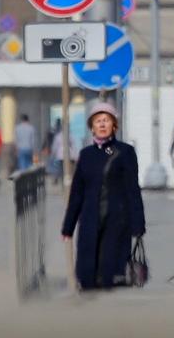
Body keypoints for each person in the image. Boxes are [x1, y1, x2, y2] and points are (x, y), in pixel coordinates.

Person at [61, 101, 146, 291]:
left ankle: (106, 314)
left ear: (114, 125)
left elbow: (133, 190)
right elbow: (77, 193)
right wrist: (68, 227)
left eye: (106, 120)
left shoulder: (125, 152)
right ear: (91, 127)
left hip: (116, 220)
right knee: (86, 275)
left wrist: (138, 224)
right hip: (90, 219)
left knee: (108, 274)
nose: (102, 124)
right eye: (97, 121)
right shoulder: (86, 154)